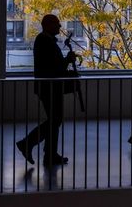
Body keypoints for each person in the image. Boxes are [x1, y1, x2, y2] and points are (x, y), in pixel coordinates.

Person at [16, 14, 76, 166]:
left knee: (55, 120)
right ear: (48, 25)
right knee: (55, 120)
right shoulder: (45, 41)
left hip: (49, 86)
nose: (60, 27)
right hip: (50, 87)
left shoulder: (44, 40)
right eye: (57, 24)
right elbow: (54, 67)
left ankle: (49, 153)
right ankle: (29, 144)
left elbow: (52, 66)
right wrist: (67, 61)